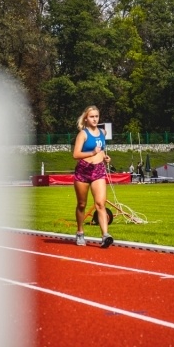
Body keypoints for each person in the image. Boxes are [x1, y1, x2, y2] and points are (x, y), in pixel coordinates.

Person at [72, 105, 113, 248]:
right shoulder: (82, 134)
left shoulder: (103, 132)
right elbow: (75, 155)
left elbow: (101, 150)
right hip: (83, 170)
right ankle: (80, 232)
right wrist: (92, 153)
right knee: (82, 204)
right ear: (86, 118)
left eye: (96, 116)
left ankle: (105, 235)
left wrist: (106, 157)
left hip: (98, 170)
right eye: (92, 117)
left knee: (101, 204)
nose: (95, 119)